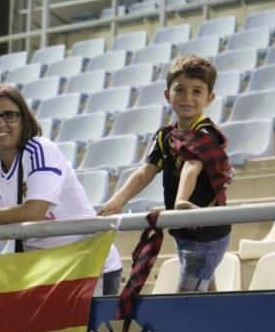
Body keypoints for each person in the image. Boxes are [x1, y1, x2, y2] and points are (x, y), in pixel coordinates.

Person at [0, 84, 123, 295]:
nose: (0, 123)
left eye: (10, 115)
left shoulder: (41, 149)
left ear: (24, 120)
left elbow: (33, 212)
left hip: (90, 267)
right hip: (46, 273)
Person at [99, 55, 233, 292]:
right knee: (207, 292)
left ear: (209, 98)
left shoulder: (207, 132)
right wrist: (116, 200)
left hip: (207, 231)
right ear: (167, 94)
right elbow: (146, 171)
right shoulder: (164, 136)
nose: (187, 98)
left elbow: (193, 165)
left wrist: (181, 201)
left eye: (197, 91)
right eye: (180, 90)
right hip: (183, 228)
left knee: (187, 296)